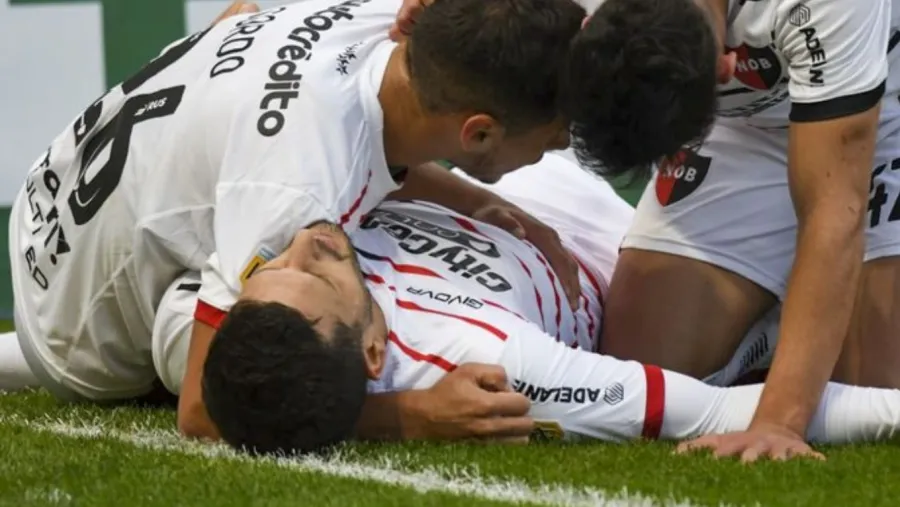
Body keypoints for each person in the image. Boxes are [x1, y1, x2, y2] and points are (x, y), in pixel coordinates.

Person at [2, 0, 586, 444]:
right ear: (479, 133)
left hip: (50, 196)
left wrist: (477, 202)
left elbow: (349, 143)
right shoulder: (292, 200)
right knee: (304, 310)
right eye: (557, 135)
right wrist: (415, 415)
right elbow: (201, 412)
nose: (558, 145)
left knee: (243, 21)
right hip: (80, 339)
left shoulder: (394, 24)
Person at [191, 153, 900, 455]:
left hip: (539, 165)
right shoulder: (489, 371)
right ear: (373, 351)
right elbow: (710, 413)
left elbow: (197, 407)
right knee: (866, 359)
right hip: (625, 249)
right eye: (316, 276)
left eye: (272, 268)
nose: (306, 243)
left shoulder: (246, 305)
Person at [547, 0, 900, 462]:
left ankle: (799, 322)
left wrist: (778, 423)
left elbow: (834, 209)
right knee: (642, 370)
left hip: (883, 112)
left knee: (875, 389)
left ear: (724, 69)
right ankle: (780, 327)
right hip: (745, 129)